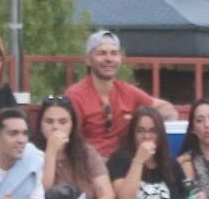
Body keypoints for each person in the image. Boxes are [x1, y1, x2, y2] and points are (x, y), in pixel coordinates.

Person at [66, 30, 177, 161]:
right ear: (88, 60)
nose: (109, 59)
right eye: (102, 53)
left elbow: (168, 110)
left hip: (128, 163)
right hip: (90, 164)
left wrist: (142, 120)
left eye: (114, 53)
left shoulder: (127, 91)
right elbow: (69, 140)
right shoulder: (75, 95)